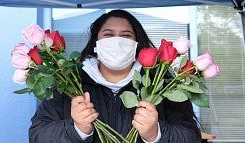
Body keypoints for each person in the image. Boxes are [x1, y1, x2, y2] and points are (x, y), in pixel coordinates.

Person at [29, 9, 202, 143]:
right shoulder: (68, 82)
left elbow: (191, 135)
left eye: (126, 35)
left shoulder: (163, 84)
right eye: (108, 34)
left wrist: (155, 134)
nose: (117, 41)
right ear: (96, 43)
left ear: (136, 45)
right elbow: (37, 134)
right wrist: (77, 129)